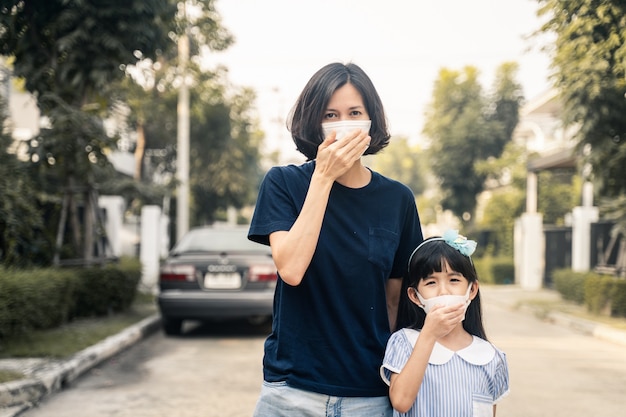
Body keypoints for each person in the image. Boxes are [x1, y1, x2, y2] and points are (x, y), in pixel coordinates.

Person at [247, 62, 424, 417]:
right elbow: (292, 269)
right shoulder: (284, 184)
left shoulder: (397, 199)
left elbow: (394, 302)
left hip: (369, 394)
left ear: (371, 120)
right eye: (331, 114)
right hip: (291, 392)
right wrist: (324, 177)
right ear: (315, 122)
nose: (344, 123)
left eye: (354, 112)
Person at [380, 230, 510, 417]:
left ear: (472, 289)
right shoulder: (404, 343)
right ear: (415, 296)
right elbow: (401, 401)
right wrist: (429, 334)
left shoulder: (491, 357)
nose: (443, 291)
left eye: (454, 280)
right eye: (431, 282)